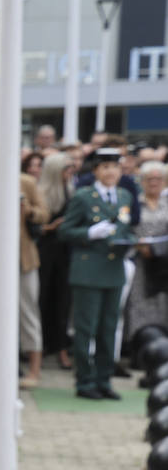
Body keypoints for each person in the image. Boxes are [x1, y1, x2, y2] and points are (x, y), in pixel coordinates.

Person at [60, 148, 138, 400]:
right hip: (89, 269)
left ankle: (104, 379)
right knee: (86, 328)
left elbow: (125, 226)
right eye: (105, 167)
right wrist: (89, 233)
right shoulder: (84, 196)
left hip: (114, 268)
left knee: (109, 327)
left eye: (115, 167)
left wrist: (130, 241)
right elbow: (65, 231)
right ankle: (85, 380)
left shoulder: (124, 195)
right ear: (96, 171)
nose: (110, 172)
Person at [0, 153, 48, 385]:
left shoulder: (27, 183)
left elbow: (45, 214)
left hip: (23, 260)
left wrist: (28, 211)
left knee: (28, 313)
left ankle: (34, 370)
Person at [35, 151, 75, 370]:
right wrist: (50, 228)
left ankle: (60, 346)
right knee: (41, 299)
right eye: (66, 169)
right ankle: (39, 347)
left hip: (65, 253)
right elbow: (33, 226)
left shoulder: (71, 192)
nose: (70, 173)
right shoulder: (41, 192)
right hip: (44, 252)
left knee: (63, 301)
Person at [125, 161, 168, 344]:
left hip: (163, 263)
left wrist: (157, 248)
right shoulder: (134, 203)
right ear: (141, 182)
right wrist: (137, 245)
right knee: (138, 304)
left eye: (158, 178)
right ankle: (138, 346)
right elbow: (125, 228)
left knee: (162, 304)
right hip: (139, 262)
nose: (154, 182)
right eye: (149, 179)